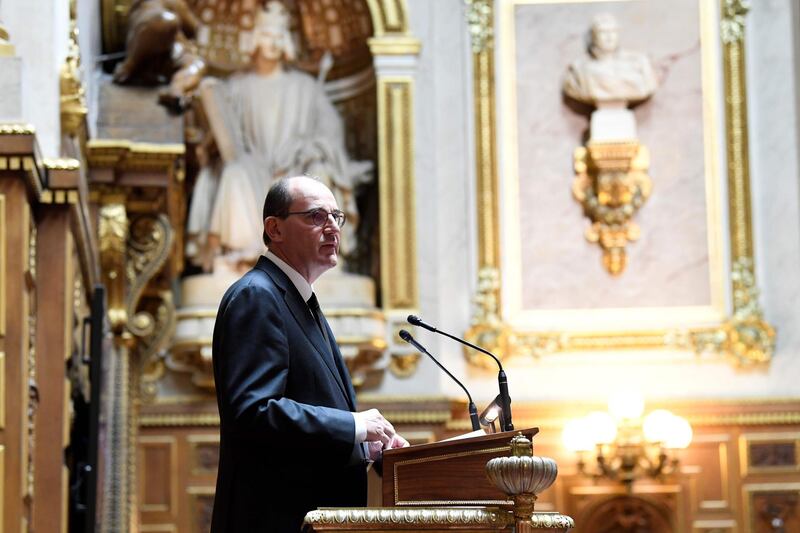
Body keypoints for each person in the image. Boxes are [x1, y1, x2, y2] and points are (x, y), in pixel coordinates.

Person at [210, 176, 407, 532]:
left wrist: (364, 447)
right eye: (316, 216)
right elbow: (253, 412)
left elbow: (305, 420)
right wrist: (354, 425)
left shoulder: (299, 300)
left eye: (336, 216)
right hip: (275, 520)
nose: (332, 227)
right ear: (275, 228)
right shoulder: (258, 295)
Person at [186, 0, 371, 271]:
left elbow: (330, 138)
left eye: (278, 36)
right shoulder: (237, 86)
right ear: (255, 39)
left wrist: (306, 148)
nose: (273, 43)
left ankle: (309, 254)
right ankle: (242, 253)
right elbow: (222, 140)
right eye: (267, 35)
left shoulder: (306, 87)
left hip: (297, 170)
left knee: (318, 176)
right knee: (234, 172)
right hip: (252, 167)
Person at [562, 13, 658, 106]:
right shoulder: (579, 69)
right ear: (593, 36)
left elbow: (649, 85)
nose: (609, 37)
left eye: (613, 32)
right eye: (603, 32)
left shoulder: (639, 62)